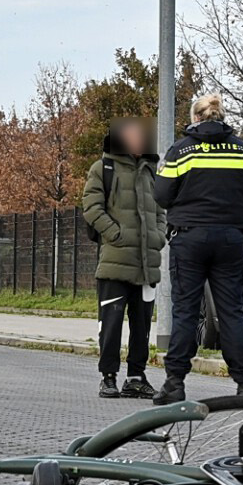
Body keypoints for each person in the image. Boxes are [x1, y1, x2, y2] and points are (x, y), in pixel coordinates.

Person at [153, 94, 243, 405]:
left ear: (195, 118)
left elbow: (161, 195)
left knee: (186, 311)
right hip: (231, 239)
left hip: (189, 238)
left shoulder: (181, 150)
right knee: (231, 312)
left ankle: (175, 382)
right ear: (221, 116)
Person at [81, 118, 164, 399]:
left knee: (141, 327)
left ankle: (136, 378)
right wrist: (116, 235)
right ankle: (108, 377)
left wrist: (158, 236)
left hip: (146, 265)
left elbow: (162, 210)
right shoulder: (102, 168)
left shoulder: (153, 172)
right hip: (115, 263)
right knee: (112, 324)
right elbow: (92, 209)